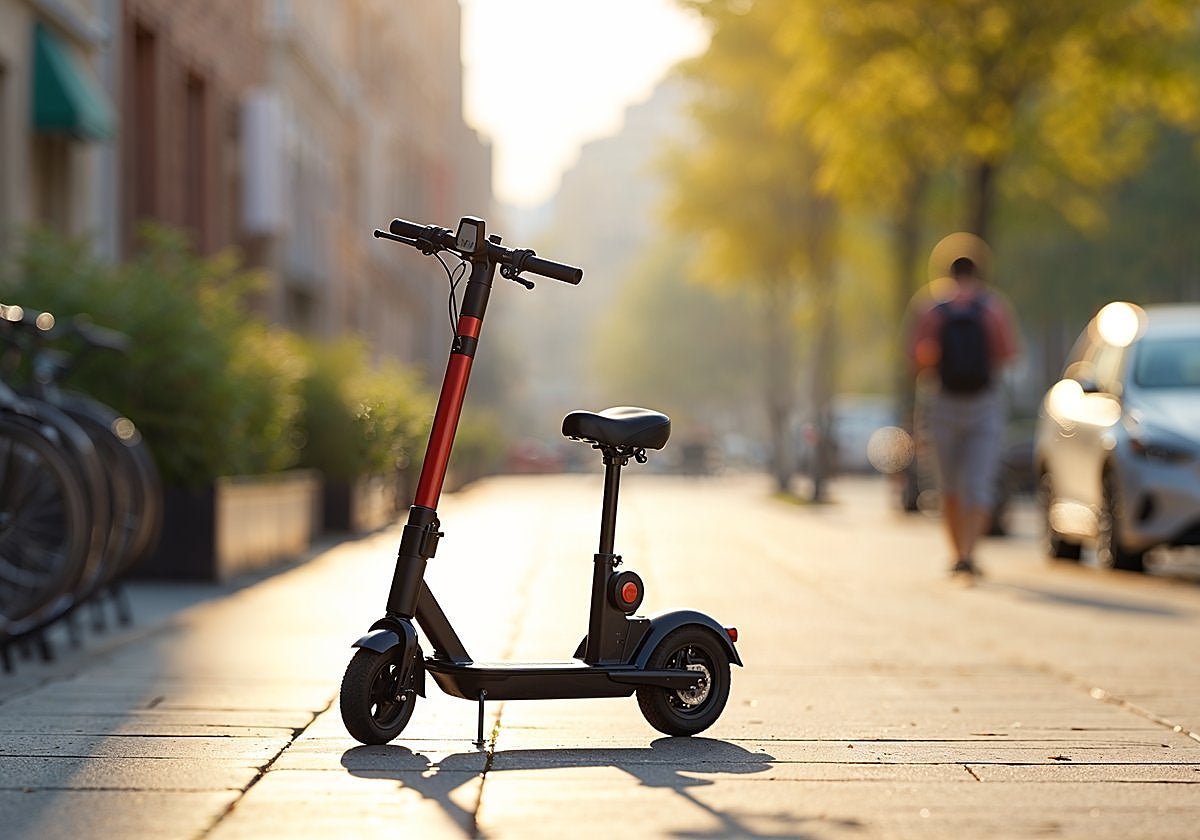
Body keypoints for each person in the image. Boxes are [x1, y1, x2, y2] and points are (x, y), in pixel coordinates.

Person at [909, 249, 1019, 577]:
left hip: (943, 402)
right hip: (984, 403)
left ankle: (957, 553)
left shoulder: (931, 309)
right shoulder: (993, 308)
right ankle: (971, 552)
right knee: (979, 483)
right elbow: (1008, 354)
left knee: (949, 486)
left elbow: (919, 358)